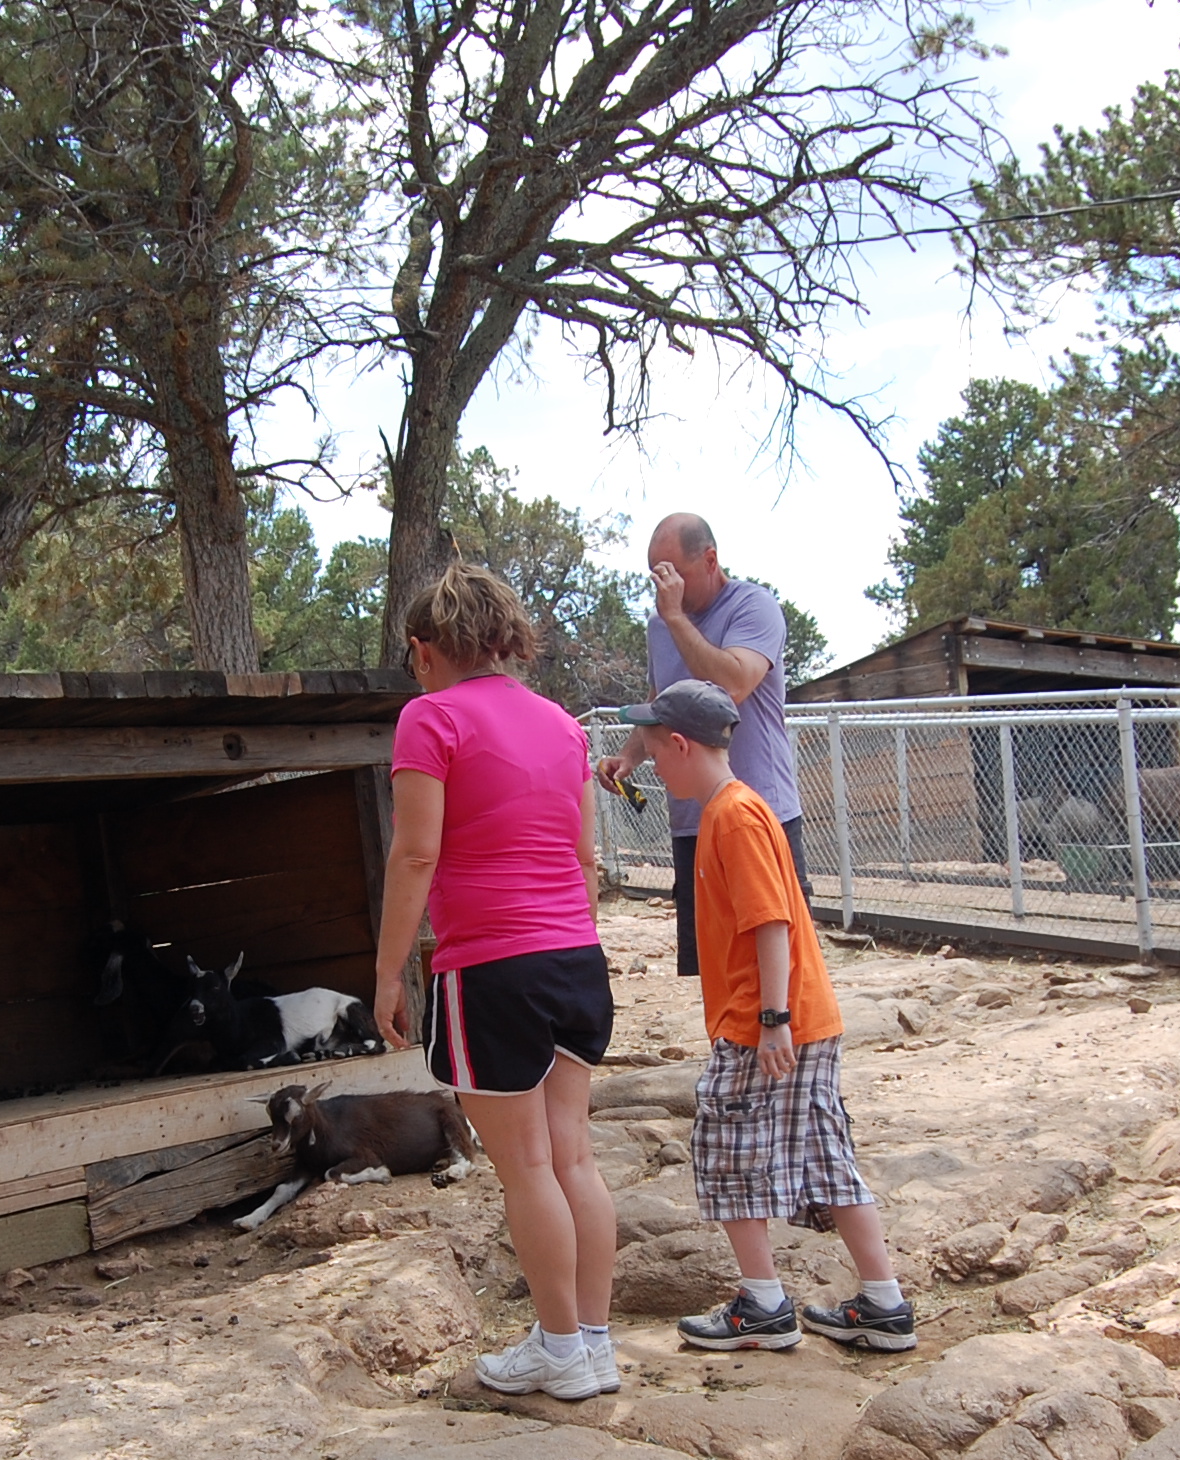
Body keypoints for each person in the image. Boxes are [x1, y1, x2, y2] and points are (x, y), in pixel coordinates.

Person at [373, 562, 622, 1401]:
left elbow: (416, 854)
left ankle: (560, 1350)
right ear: (504, 638)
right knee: (574, 1157)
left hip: (491, 966)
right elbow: (584, 859)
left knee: (527, 1169)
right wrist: (573, 941)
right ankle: (593, 1345)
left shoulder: (430, 717)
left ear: (424, 648)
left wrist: (388, 973)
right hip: (576, 960)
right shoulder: (563, 725)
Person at [624, 678, 914, 1352]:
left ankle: (764, 1305)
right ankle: (883, 1304)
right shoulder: (733, 809)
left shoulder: (733, 815)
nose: (653, 764)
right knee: (825, 1155)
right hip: (793, 1019)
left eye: (654, 750)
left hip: (767, 1023)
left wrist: (773, 1019)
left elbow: (771, 921)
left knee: (725, 1152)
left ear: (681, 744)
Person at [595, 514, 808, 978]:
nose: (664, 586)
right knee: (711, 970)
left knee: (781, 962)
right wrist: (629, 757)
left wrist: (675, 618)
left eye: (674, 573)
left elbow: (732, 685)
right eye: (656, 575)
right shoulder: (659, 626)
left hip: (759, 813)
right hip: (693, 824)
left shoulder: (754, 607)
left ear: (710, 560)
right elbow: (661, 702)